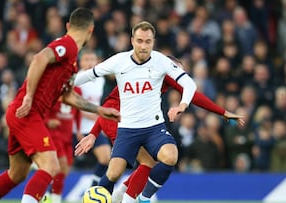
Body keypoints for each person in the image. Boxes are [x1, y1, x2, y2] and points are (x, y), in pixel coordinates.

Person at [0, 7, 120, 203]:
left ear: (68, 25)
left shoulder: (72, 61)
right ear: (91, 30)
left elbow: (68, 96)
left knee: (16, 174)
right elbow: (39, 58)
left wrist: (100, 110)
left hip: (22, 114)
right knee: (51, 167)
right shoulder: (66, 45)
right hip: (28, 112)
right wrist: (29, 96)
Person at [76, 58, 245, 203]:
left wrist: (94, 132)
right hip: (119, 120)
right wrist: (222, 112)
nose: (179, 74)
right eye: (177, 69)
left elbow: (110, 104)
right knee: (134, 166)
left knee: (145, 163)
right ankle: (119, 198)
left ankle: (118, 197)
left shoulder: (152, 76)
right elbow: (193, 95)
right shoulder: (160, 70)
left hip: (119, 119)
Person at [74, 21, 197, 203]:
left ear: (153, 42)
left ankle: (143, 198)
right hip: (127, 129)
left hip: (153, 128)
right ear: (132, 41)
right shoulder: (119, 61)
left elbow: (189, 83)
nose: (143, 46)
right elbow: (89, 74)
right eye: (139, 41)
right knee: (114, 173)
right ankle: (110, 198)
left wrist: (182, 105)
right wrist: (61, 83)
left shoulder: (161, 61)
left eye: (148, 41)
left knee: (170, 156)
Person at [75, 49, 112, 186]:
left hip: (93, 128)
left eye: (92, 60)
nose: (90, 63)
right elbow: (73, 105)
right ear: (80, 62)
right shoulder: (76, 80)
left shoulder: (101, 81)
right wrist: (94, 114)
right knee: (61, 165)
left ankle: (92, 189)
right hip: (75, 128)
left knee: (106, 158)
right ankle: (49, 192)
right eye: (86, 59)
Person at [42, 87, 82, 203]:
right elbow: (43, 111)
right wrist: (48, 121)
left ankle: (48, 194)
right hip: (54, 135)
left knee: (65, 170)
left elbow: (78, 111)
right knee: (62, 166)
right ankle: (56, 199)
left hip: (68, 136)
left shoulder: (77, 91)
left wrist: (78, 130)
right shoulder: (54, 89)